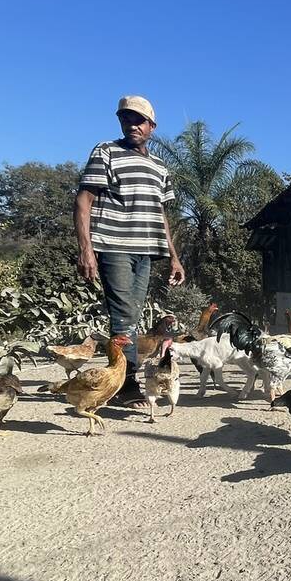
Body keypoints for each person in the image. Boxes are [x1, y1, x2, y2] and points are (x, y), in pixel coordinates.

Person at [74, 95, 185, 405]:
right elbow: (84, 200)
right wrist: (86, 249)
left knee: (133, 316)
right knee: (124, 316)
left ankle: (119, 377)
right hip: (113, 246)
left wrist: (174, 257)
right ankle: (126, 383)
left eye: (139, 119)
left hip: (145, 250)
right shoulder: (106, 152)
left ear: (152, 125)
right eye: (126, 118)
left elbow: (160, 213)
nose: (132, 124)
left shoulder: (159, 166)